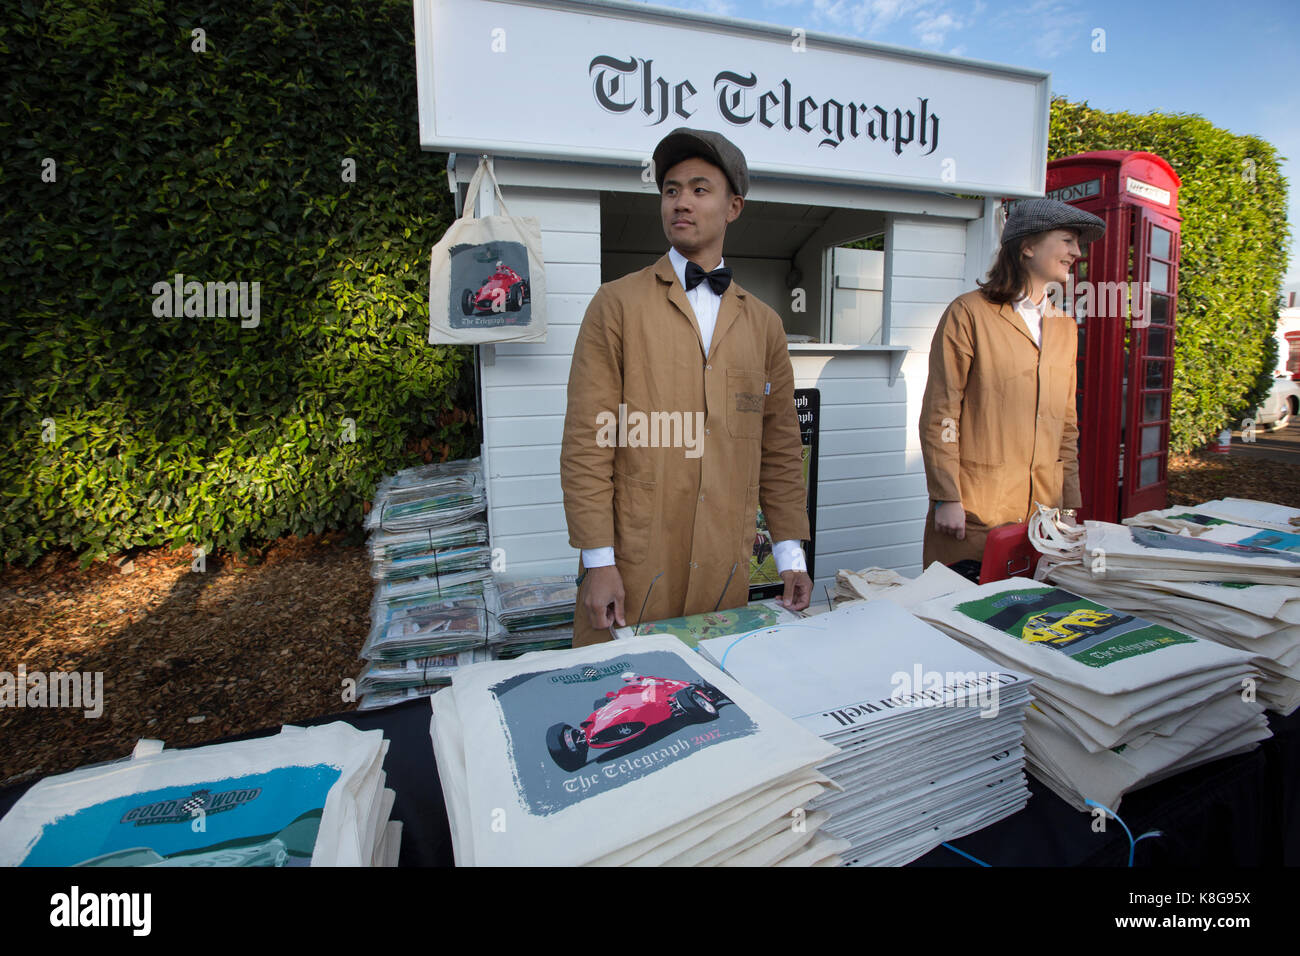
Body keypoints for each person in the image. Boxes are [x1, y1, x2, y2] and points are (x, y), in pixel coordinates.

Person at [561, 128, 812, 646]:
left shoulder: (765, 325)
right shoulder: (617, 305)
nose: (681, 202)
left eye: (700, 190)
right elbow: (589, 442)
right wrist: (597, 562)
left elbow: (782, 449)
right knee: (622, 705)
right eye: (671, 189)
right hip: (635, 565)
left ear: (733, 207)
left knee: (708, 709)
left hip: (724, 569)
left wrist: (789, 555)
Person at [918, 198, 1106, 569]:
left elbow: (1066, 425)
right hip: (974, 511)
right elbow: (942, 412)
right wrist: (946, 496)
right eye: (1067, 240)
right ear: (1027, 245)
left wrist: (1068, 506)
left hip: (1043, 520)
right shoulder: (968, 313)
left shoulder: (1064, 327)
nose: (1076, 252)